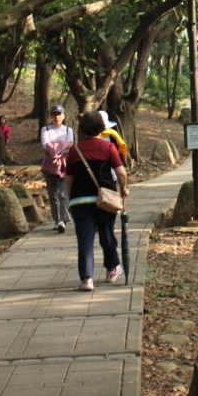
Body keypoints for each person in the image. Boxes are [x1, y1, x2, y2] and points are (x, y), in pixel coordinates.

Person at [66, 111, 128, 291]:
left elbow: (68, 179)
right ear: (102, 127)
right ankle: (112, 268)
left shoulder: (74, 150)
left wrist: (71, 199)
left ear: (82, 128)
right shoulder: (108, 148)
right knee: (107, 234)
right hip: (105, 199)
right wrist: (124, 189)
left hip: (80, 200)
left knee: (84, 239)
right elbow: (121, 173)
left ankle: (87, 279)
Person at [40, 105, 73, 233]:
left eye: (59, 114)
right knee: (52, 194)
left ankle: (63, 221)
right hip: (49, 165)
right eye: (54, 114)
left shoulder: (68, 130)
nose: (57, 117)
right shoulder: (46, 129)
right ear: (51, 116)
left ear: (64, 115)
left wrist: (53, 145)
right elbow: (44, 147)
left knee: (63, 193)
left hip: (65, 164)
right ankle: (56, 220)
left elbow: (70, 145)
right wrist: (62, 144)